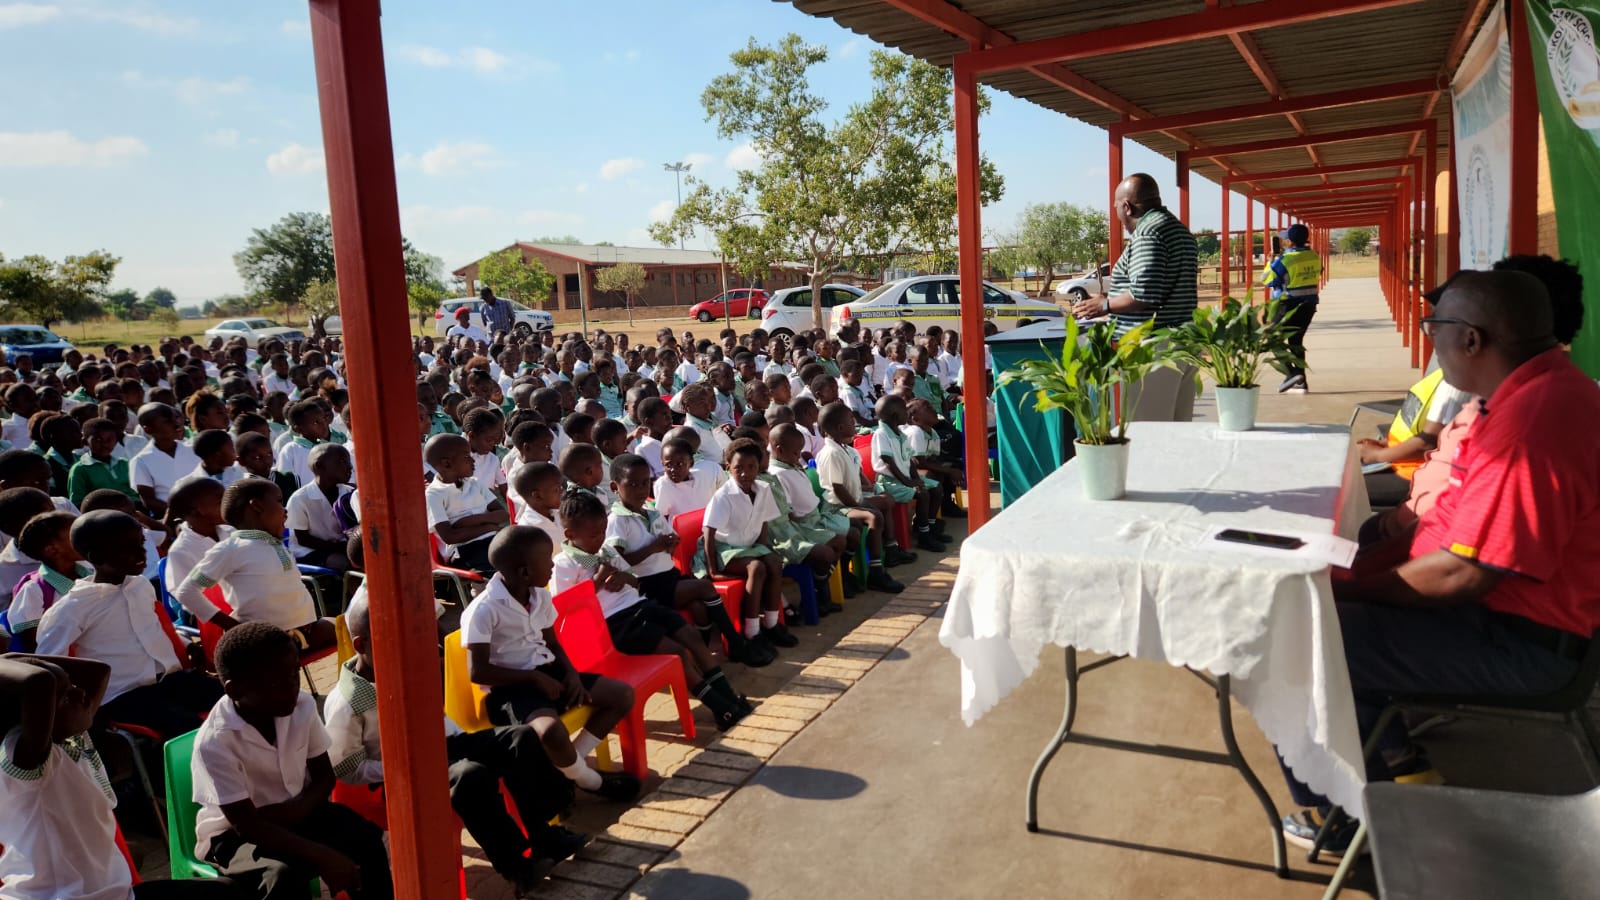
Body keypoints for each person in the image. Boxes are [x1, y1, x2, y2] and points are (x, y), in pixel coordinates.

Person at [1277, 269, 1600, 855]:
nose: (1431, 341)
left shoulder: (1533, 422)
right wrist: (1350, 568)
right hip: (1499, 617)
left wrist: (1338, 590)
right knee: (1320, 610)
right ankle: (1392, 754)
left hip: (1522, 642)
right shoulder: (1520, 397)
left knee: (1296, 638)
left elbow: (1461, 573)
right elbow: (1442, 527)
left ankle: (1343, 820)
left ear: (1470, 339)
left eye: (1433, 327)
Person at [325, 595, 584, 898]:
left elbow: (439, 717)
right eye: (392, 639)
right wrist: (402, 767)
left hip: (440, 747)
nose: (406, 645)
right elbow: (347, 769)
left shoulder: (407, 670)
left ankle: (544, 835)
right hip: (394, 777)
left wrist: (469, 742)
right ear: (361, 645)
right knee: (469, 776)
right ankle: (518, 869)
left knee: (521, 738)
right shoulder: (347, 703)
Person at [0, 653, 241, 899]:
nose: (80, 693)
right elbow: (38, 682)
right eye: (65, 696)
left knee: (226, 891)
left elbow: (99, 671)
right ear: (35, 714)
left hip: (113, 893)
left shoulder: (70, 738)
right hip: (60, 896)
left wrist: (13, 657)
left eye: (73, 686)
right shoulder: (25, 761)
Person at [192, 623, 394, 899]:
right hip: (236, 836)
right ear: (235, 690)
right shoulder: (215, 742)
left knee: (366, 839)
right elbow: (247, 826)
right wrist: (323, 855)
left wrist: (293, 813)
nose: (291, 687)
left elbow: (324, 778)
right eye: (275, 683)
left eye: (294, 673)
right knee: (281, 876)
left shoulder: (302, 705)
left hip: (297, 811)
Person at [461, 526, 640, 801]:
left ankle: (568, 769)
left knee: (622, 695)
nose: (553, 563)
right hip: (510, 689)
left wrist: (572, 674)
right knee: (551, 732)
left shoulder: (540, 595)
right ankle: (591, 781)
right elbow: (478, 671)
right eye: (546, 558)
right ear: (524, 572)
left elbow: (553, 643)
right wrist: (534, 678)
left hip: (549, 673)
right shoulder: (483, 610)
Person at [553, 489, 753, 729]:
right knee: (677, 653)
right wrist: (598, 580)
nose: (601, 538)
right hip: (615, 625)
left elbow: (636, 582)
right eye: (594, 535)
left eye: (603, 531)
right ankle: (722, 709)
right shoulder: (564, 565)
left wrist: (624, 578)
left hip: (640, 605)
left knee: (691, 636)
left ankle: (729, 697)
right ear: (570, 534)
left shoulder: (606, 550)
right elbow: (568, 609)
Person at [36, 510, 223, 738]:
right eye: (126, 547)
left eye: (141, 543)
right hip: (123, 696)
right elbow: (50, 664)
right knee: (193, 728)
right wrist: (83, 706)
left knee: (236, 697)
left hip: (168, 680)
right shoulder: (72, 609)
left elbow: (155, 629)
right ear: (97, 556)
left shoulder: (140, 585)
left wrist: (187, 645)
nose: (141, 552)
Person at [175, 479, 335, 648]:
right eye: (279, 501)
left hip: (304, 630)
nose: (285, 510)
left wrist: (306, 617)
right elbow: (186, 592)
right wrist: (232, 626)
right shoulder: (230, 549)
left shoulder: (275, 543)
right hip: (266, 640)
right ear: (257, 506)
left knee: (348, 627)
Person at [702, 440, 794, 649]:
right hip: (725, 551)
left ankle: (771, 624)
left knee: (774, 562)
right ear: (729, 468)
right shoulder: (723, 496)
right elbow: (709, 533)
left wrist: (761, 548)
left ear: (758, 466)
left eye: (751, 467)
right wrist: (713, 570)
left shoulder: (763, 489)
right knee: (756, 568)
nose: (745, 473)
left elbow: (763, 521)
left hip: (749, 548)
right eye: (739, 468)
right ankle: (752, 632)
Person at [424, 433, 506, 576]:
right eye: (466, 457)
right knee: (501, 570)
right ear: (447, 464)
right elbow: (450, 537)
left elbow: (503, 514)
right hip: (465, 550)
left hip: (493, 540)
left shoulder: (475, 483)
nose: (472, 460)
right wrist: (489, 527)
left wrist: (471, 521)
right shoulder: (434, 494)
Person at [1263, 223, 1323, 392]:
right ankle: (1301, 382)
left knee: (1272, 339)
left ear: (1290, 241)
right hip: (1309, 305)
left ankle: (1292, 373)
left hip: (1287, 305)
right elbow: (1319, 272)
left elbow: (1268, 280)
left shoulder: (1285, 260)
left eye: (1286, 239)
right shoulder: (1314, 256)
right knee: (1296, 342)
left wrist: (1270, 263)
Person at [284, 443, 353, 571]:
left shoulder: (348, 493)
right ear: (319, 466)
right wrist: (341, 547)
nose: (350, 467)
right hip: (309, 551)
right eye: (342, 462)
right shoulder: (300, 498)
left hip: (341, 547)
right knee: (346, 563)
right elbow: (303, 539)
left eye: (348, 462)